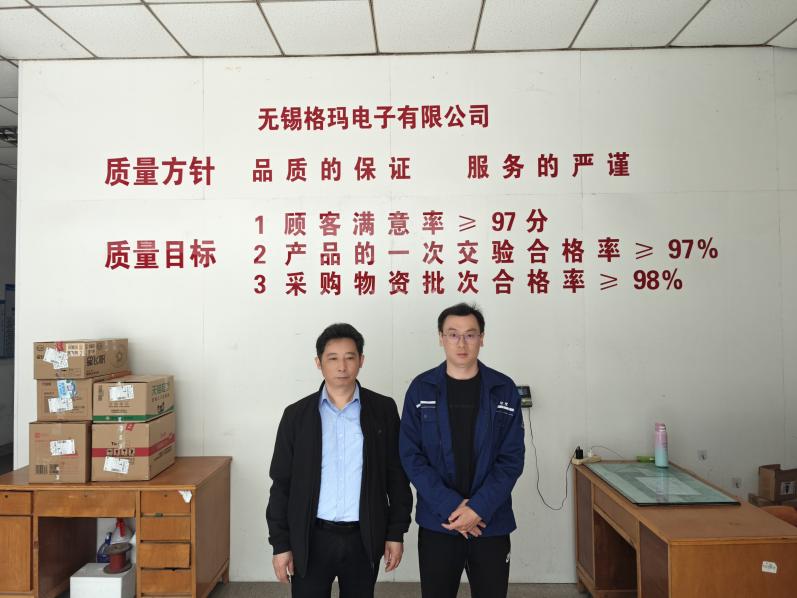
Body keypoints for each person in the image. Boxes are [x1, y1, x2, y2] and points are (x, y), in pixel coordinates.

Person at [266, 323, 412, 598]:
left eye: (349, 357)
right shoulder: (296, 415)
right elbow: (281, 484)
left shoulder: (383, 410)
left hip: (363, 537)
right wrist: (281, 544)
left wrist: (395, 532)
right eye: (332, 358)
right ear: (318, 363)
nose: (341, 366)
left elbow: (397, 477)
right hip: (311, 537)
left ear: (361, 360)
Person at [399, 303, 525, 598]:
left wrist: (477, 508)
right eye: (453, 334)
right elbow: (411, 456)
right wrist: (453, 507)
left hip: (490, 522)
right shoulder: (421, 389)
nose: (461, 343)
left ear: (482, 338)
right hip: (439, 522)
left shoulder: (503, 389)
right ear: (440, 338)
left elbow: (511, 459)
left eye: (470, 335)